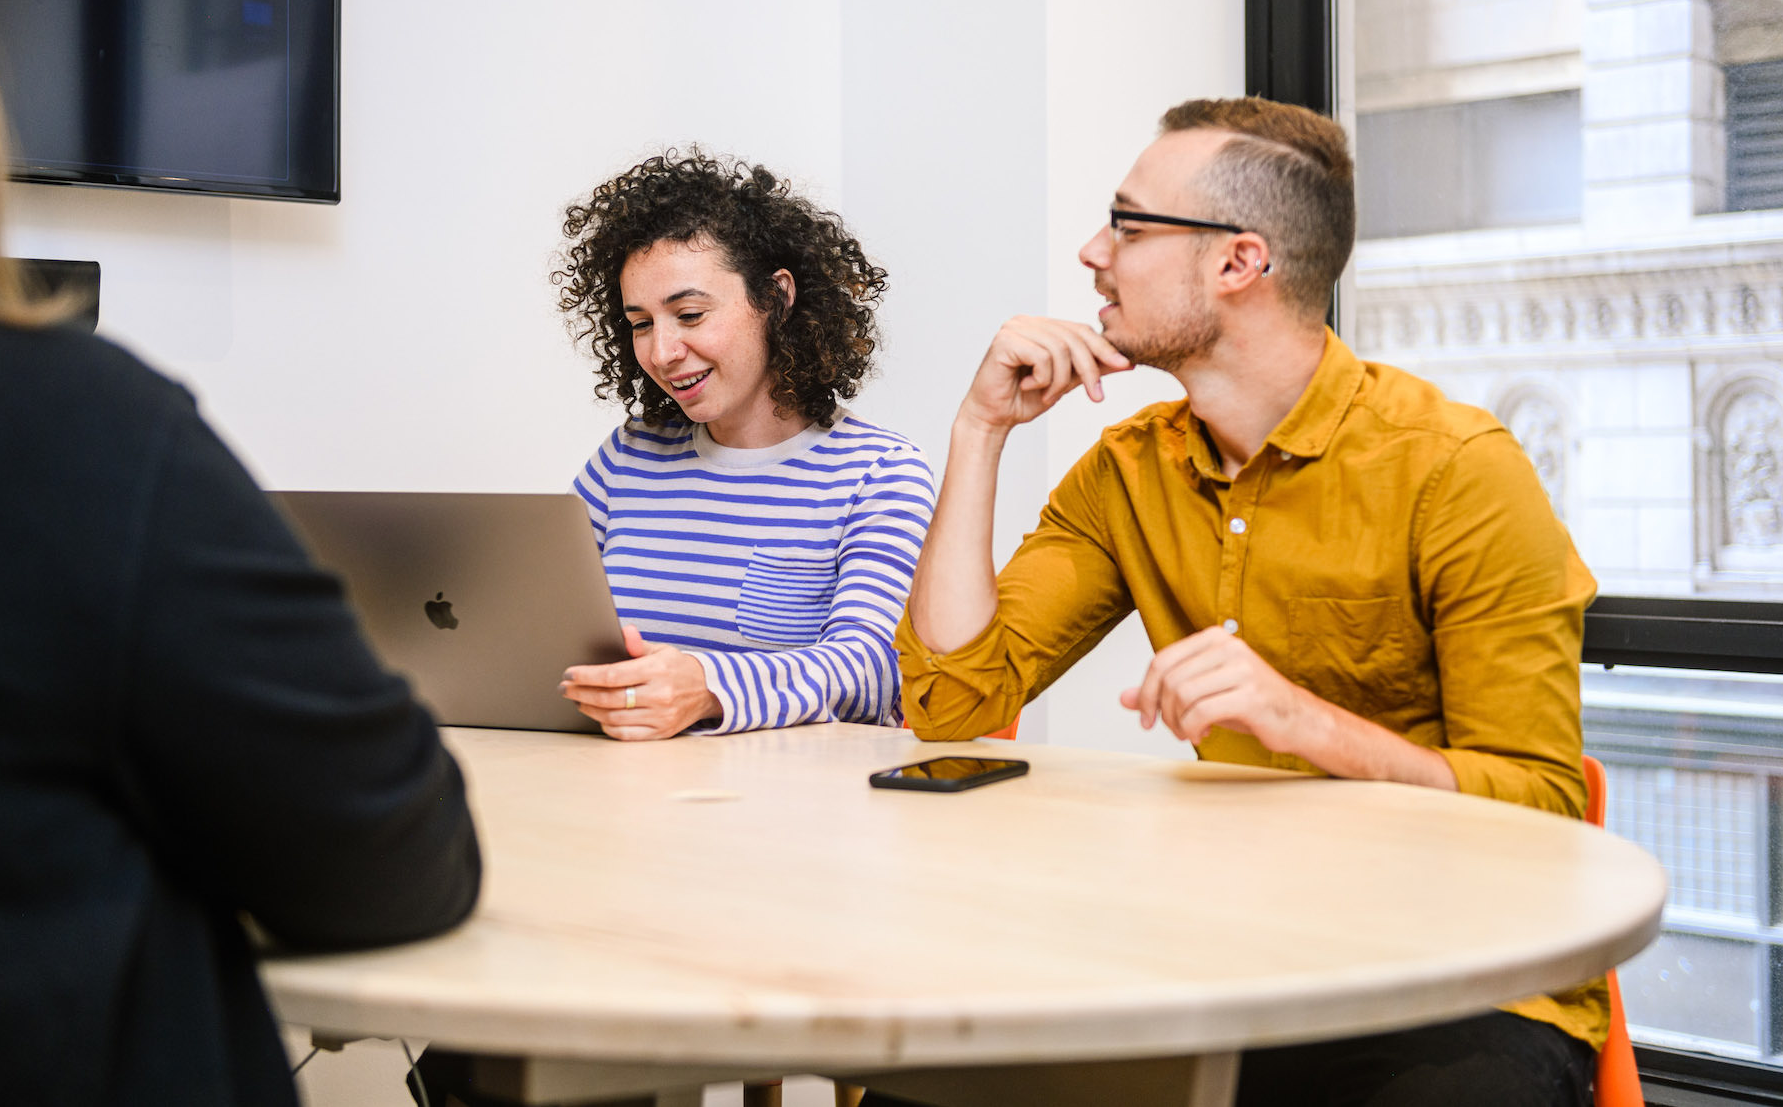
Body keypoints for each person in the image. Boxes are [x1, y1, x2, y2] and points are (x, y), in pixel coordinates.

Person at [0, 0, 481, 1107]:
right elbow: (389, 848)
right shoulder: (67, 433)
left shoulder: (864, 467)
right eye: (642, 319)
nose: (661, 347)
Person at [893, 97, 1602, 1106]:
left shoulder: (1454, 469)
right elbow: (950, 704)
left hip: (1469, 976)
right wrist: (978, 431)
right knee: (928, 1087)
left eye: (1128, 225)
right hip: (1238, 949)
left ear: (1238, 261)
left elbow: (1544, 813)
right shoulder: (1128, 471)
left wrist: (1304, 722)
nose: (1093, 251)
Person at [552, 150, 935, 739]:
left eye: (690, 313)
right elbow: (544, 624)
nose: (662, 351)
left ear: (776, 299)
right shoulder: (627, 458)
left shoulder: (880, 474)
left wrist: (707, 687)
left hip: (781, 812)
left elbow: (872, 670)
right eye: (641, 323)